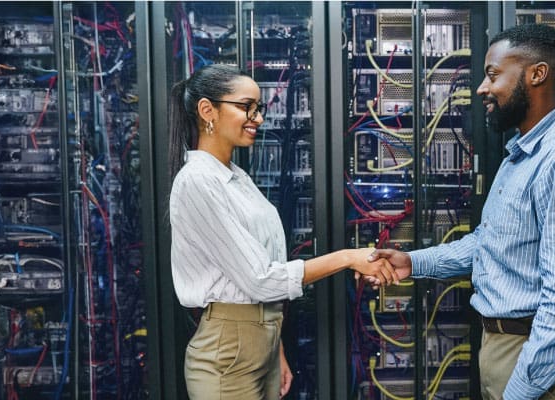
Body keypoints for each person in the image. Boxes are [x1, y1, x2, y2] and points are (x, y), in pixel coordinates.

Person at [366, 23, 555, 400]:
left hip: (538, 357)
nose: (483, 88)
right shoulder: (522, 153)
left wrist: (518, 391)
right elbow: (488, 243)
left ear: (537, 74)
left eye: (493, 75)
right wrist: (412, 262)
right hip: (505, 347)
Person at [167, 64, 399, 399]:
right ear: (208, 110)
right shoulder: (198, 182)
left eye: (258, 109)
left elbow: (259, 277)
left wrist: (275, 350)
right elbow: (259, 279)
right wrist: (348, 257)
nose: (257, 118)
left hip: (260, 346)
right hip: (227, 357)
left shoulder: (236, 178)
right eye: (246, 107)